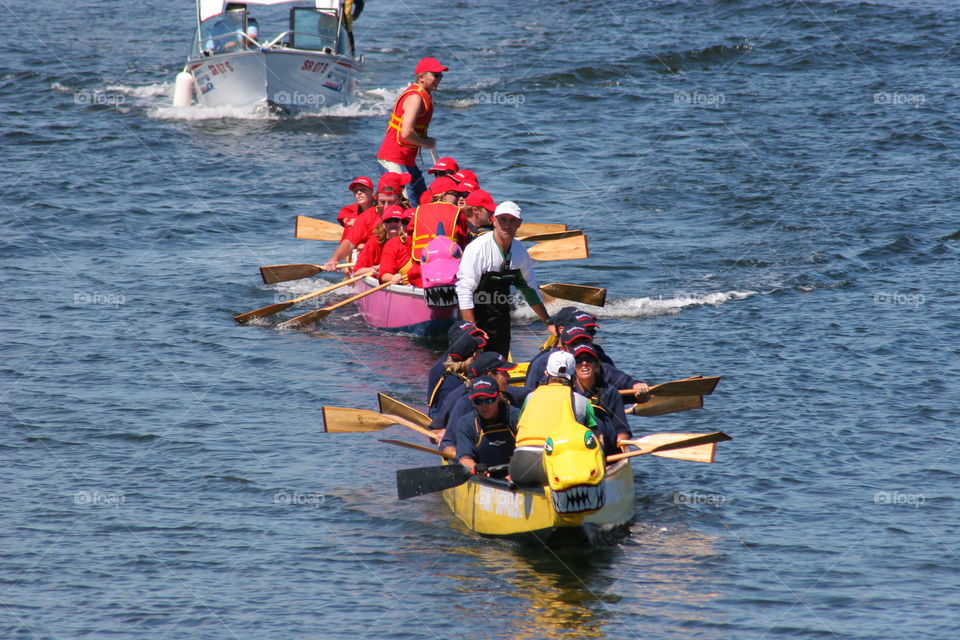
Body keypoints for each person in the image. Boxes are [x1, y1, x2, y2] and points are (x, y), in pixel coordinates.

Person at [455, 201, 555, 357]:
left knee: (498, 369)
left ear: (519, 223)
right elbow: (464, 289)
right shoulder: (478, 248)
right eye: (502, 220)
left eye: (512, 220)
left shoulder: (520, 251)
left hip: (501, 321)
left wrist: (548, 322)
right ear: (494, 221)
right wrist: (472, 331)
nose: (507, 225)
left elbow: (529, 289)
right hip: (475, 317)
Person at [508, 352, 597, 486]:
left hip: (519, 468)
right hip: (555, 469)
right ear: (574, 376)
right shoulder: (584, 402)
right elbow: (595, 439)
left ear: (546, 373)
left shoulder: (530, 397)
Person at [376, 57, 448, 207]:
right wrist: (426, 143)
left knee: (424, 201)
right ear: (421, 77)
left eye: (441, 75)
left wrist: (425, 140)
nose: (439, 79)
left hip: (407, 161)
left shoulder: (424, 95)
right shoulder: (415, 97)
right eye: (436, 75)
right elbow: (406, 133)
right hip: (393, 160)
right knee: (406, 205)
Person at [322, 172, 408, 271]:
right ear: (376, 197)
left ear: (399, 199)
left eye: (391, 202)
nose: (386, 207)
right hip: (372, 262)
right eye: (382, 202)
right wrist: (334, 259)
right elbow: (350, 243)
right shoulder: (366, 216)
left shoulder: (408, 214)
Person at [571, 343, 632, 456]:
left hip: (605, 453)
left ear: (597, 364)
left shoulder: (610, 392)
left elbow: (622, 429)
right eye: (578, 360)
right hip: (574, 450)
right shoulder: (568, 393)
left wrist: (622, 440)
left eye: (589, 359)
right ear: (573, 366)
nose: (584, 363)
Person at [454, 376, 520, 474]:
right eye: (478, 401)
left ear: (498, 397)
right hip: (485, 475)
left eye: (489, 400)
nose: (484, 406)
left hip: (517, 474)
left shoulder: (517, 417)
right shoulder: (466, 424)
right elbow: (464, 459)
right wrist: (475, 467)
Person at [427, 331, 484, 419]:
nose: (481, 355)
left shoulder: (452, 372)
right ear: (474, 355)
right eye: (480, 351)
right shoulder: (454, 384)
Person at [352, 204, 407, 275]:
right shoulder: (374, 241)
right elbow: (356, 271)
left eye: (396, 220)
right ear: (384, 224)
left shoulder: (408, 241)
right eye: (389, 220)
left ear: (402, 224)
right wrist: (372, 270)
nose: (393, 223)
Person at [336, 176, 375, 242]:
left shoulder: (380, 212)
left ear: (372, 192)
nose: (359, 193)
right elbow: (345, 243)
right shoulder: (351, 218)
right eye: (356, 191)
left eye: (363, 190)